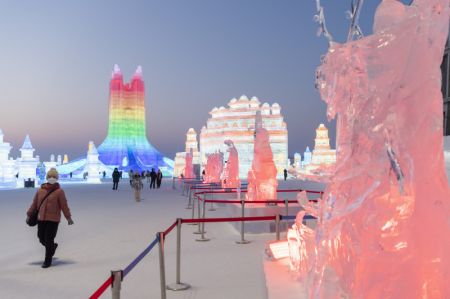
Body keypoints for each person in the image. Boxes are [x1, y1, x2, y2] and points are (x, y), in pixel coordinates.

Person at [26, 168, 74, 268]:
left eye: (54, 177)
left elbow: (64, 205)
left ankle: (47, 260)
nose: (52, 178)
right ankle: (52, 247)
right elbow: (35, 204)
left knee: (48, 239)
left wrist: (68, 217)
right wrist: (29, 214)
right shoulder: (40, 191)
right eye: (50, 177)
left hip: (53, 220)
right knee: (41, 238)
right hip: (41, 219)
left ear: (57, 179)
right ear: (47, 177)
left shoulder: (59, 192)